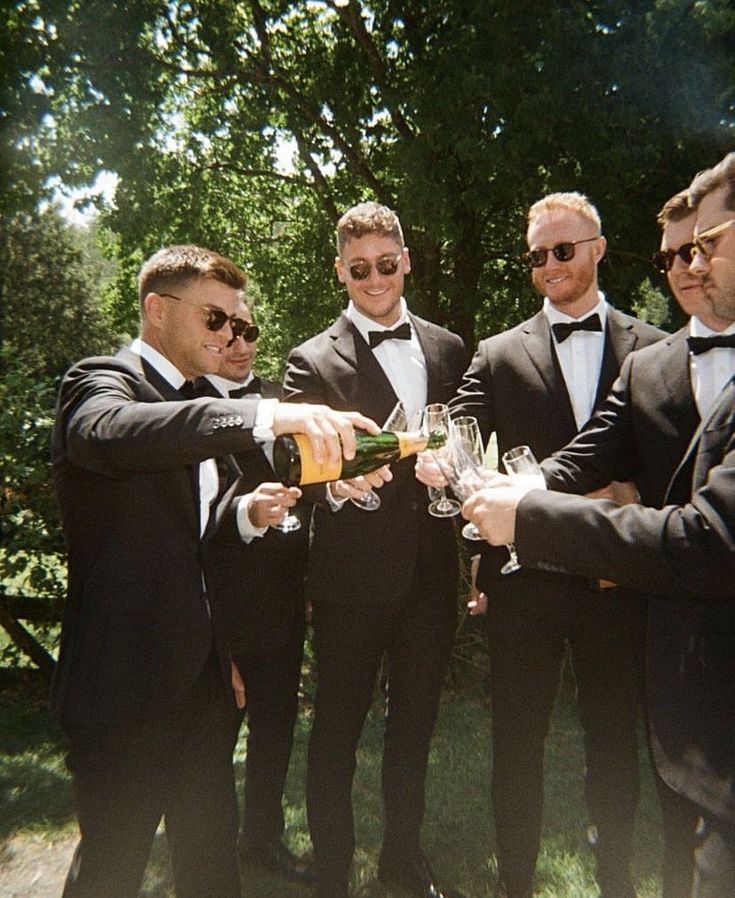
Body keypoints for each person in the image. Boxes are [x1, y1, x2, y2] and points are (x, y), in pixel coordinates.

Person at [51, 244, 376, 898]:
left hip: (201, 685)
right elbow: (111, 433)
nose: (230, 335)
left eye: (234, 322)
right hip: (122, 691)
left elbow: (195, 541)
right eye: (214, 319)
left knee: (210, 871)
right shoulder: (101, 382)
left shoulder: (194, 403)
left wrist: (248, 514)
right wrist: (266, 414)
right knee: (110, 874)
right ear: (156, 310)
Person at [462, 152, 735, 898]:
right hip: (583, 599)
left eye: (702, 247)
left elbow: (707, 532)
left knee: (617, 751)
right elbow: (589, 451)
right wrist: (513, 495)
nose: (689, 267)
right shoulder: (646, 367)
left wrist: (531, 511)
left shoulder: (641, 341)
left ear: (596, 251)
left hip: (639, 588)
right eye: (676, 254)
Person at [445, 192, 665, 898]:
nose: (547, 265)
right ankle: (514, 882)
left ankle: (617, 879)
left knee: (612, 738)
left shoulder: (655, 349)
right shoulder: (496, 353)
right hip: (525, 581)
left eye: (562, 250)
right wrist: (456, 484)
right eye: (535, 255)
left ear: (598, 248)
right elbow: (457, 451)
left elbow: (680, 473)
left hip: (617, 579)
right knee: (516, 741)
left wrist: (630, 496)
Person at [282, 201, 468, 898]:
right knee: (335, 728)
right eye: (358, 269)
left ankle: (402, 859)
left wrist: (453, 468)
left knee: (413, 725)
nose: (375, 279)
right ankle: (332, 871)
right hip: (350, 579)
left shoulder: (449, 349)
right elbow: (297, 471)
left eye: (386, 264)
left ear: (406, 261)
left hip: (429, 573)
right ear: (340, 271)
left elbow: (466, 446)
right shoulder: (310, 359)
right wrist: (340, 487)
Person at [198, 296, 314, 884]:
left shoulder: (276, 401)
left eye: (250, 331)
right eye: (229, 333)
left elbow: (307, 493)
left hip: (285, 605)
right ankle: (207, 858)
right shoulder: (182, 411)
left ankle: (262, 840)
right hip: (219, 615)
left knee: (276, 731)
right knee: (213, 746)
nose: (243, 345)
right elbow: (187, 530)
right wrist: (246, 512)